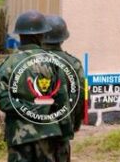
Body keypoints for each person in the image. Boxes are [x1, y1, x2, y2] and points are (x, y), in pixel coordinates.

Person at [0, 11, 66, 162]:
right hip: (49, 133)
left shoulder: (8, 63)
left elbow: (3, 101)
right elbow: (62, 100)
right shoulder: (53, 62)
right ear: (41, 35)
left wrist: (26, 108)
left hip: (19, 136)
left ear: (20, 35)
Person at [43, 15, 85, 160]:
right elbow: (80, 97)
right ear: (63, 38)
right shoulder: (74, 64)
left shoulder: (32, 62)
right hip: (63, 128)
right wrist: (75, 125)